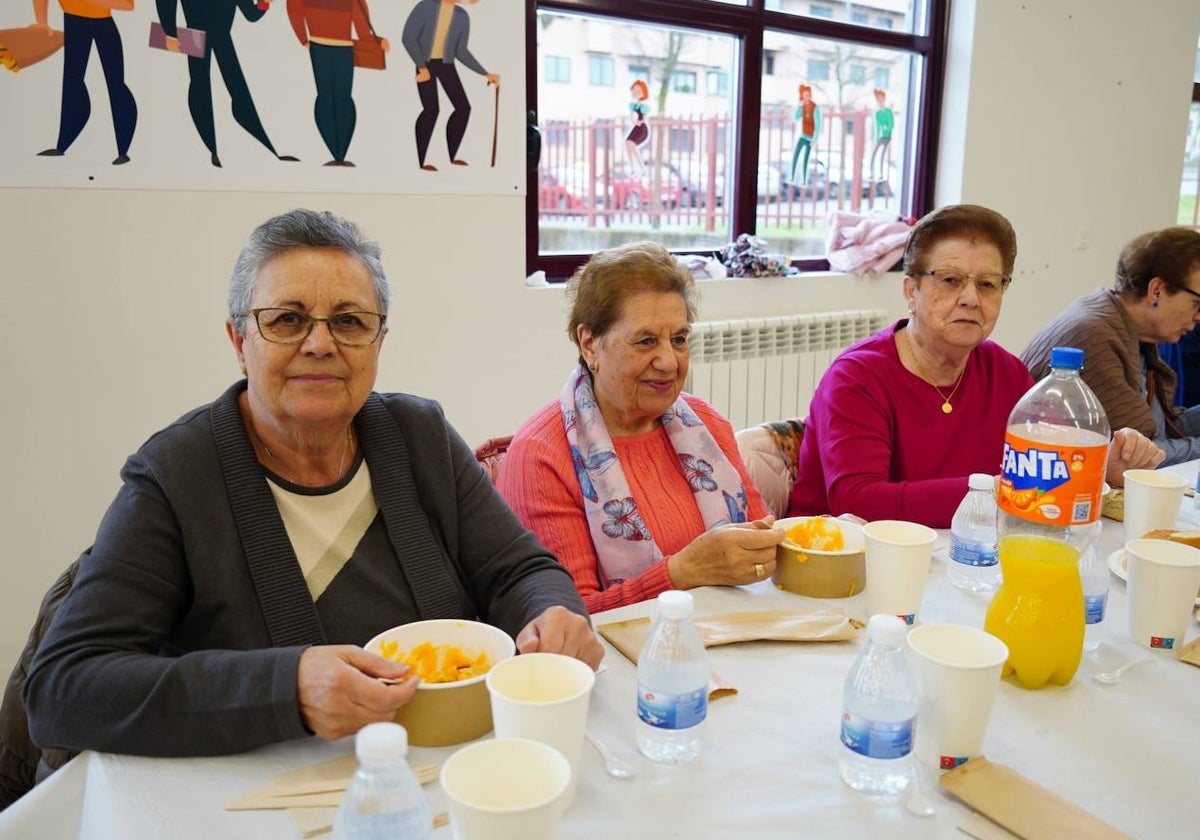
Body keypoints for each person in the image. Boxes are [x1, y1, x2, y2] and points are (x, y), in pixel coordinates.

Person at [23, 209, 602, 763]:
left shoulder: (418, 436)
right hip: (263, 794)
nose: (320, 343)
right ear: (238, 341)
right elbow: (63, 687)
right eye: (287, 319)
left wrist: (549, 614)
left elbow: (520, 570)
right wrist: (287, 687)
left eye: (350, 321)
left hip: (443, 765)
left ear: (378, 342)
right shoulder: (177, 476)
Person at [788, 204, 1163, 529]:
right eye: (950, 280)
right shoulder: (858, 377)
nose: (970, 298)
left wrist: (1101, 471)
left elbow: (1043, 471)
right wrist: (1003, 491)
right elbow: (858, 501)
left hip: (966, 557)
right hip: (842, 571)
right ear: (910, 292)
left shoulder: (1006, 372)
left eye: (987, 284)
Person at [496, 242, 784, 613]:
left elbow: (760, 538)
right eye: (646, 341)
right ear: (589, 344)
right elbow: (568, 619)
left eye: (678, 339)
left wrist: (814, 537)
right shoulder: (542, 455)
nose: (668, 361)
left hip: (728, 637)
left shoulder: (705, 424)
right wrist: (681, 572)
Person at [1021, 226, 1200, 466]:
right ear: (1156, 291)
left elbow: (1164, 428)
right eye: (1197, 303)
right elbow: (1136, 456)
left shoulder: (1126, 325)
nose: (1198, 317)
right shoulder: (1094, 336)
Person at [155, 0, 299, 168]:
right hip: (197, 36)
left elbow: (251, 15)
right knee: (202, 87)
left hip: (218, 35)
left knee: (234, 86)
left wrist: (264, 3)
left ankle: (259, 145)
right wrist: (170, 32)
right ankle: (212, 148)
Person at [31, 0, 137, 165]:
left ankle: (123, 150)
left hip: (103, 23)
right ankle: (63, 144)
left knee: (115, 82)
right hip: (73, 21)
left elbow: (128, 5)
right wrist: (41, 21)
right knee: (72, 80)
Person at [286, 0, 389, 167]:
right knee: (334, 98)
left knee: (337, 98)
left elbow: (360, 19)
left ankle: (340, 153)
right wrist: (303, 38)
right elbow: (294, 8)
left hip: (335, 47)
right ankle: (336, 152)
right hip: (328, 47)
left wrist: (375, 41)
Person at [402, 0, 499, 172]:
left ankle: (452, 156)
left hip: (446, 64)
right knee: (431, 110)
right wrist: (421, 67)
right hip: (424, 62)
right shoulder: (426, 7)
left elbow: (461, 51)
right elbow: (409, 38)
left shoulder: (462, 17)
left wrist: (485, 73)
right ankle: (420, 161)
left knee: (463, 108)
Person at [790, 83, 820, 187]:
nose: (806, 97)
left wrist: (815, 139)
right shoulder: (803, 107)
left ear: (810, 95)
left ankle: (803, 180)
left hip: (810, 138)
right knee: (796, 156)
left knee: (805, 159)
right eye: (804, 95)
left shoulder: (814, 107)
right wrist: (799, 106)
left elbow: (818, 125)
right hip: (802, 136)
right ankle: (792, 177)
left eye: (808, 94)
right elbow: (796, 118)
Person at [624, 79, 650, 176]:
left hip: (642, 128)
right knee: (627, 143)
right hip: (636, 126)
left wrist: (639, 121)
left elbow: (645, 118)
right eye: (635, 91)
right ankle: (632, 167)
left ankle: (642, 168)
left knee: (632, 145)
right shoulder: (633, 105)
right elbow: (631, 116)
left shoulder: (643, 106)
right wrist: (634, 121)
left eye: (639, 91)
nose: (636, 93)